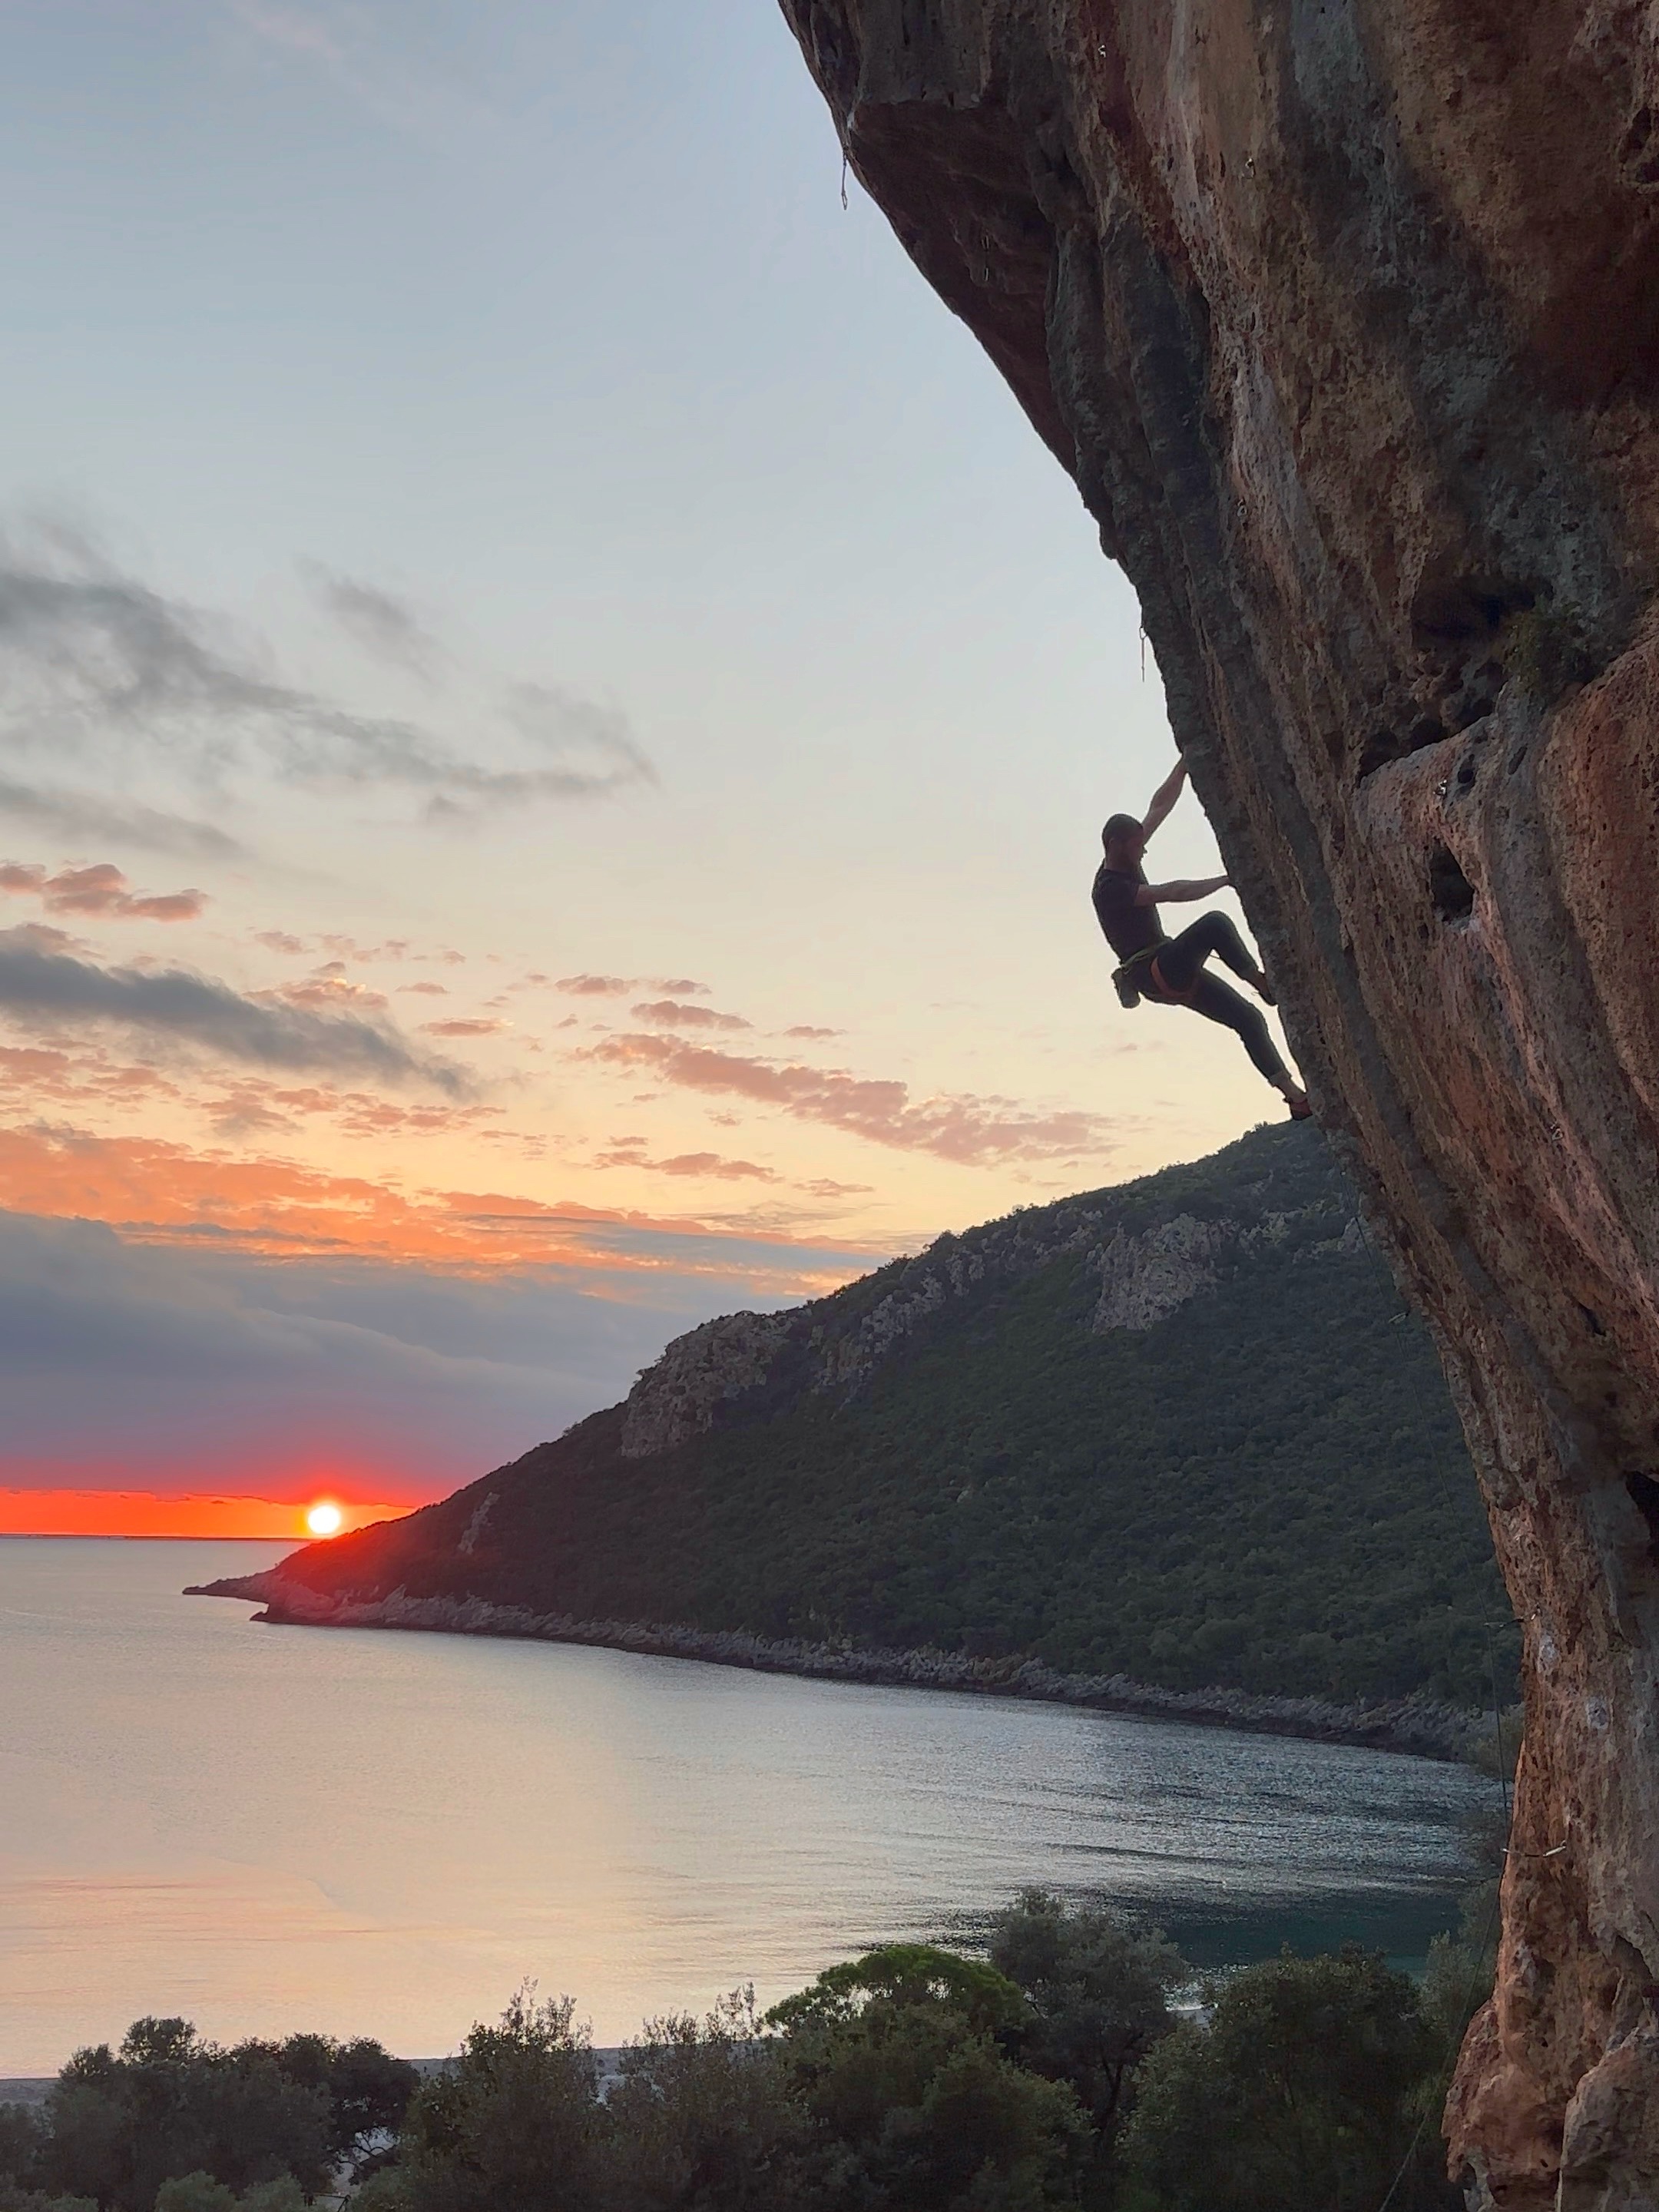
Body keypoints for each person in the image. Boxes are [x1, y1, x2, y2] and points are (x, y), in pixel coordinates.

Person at [1092, 758, 1311, 1119]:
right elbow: (1172, 892)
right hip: (1155, 970)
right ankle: (1260, 981)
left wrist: (1184, 765)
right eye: (1136, 847)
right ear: (1115, 845)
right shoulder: (1110, 888)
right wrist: (1225, 881)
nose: (1143, 851)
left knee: (1248, 1018)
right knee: (1215, 924)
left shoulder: (1126, 856)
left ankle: (1296, 1099)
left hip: (1168, 967)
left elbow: (1158, 806)